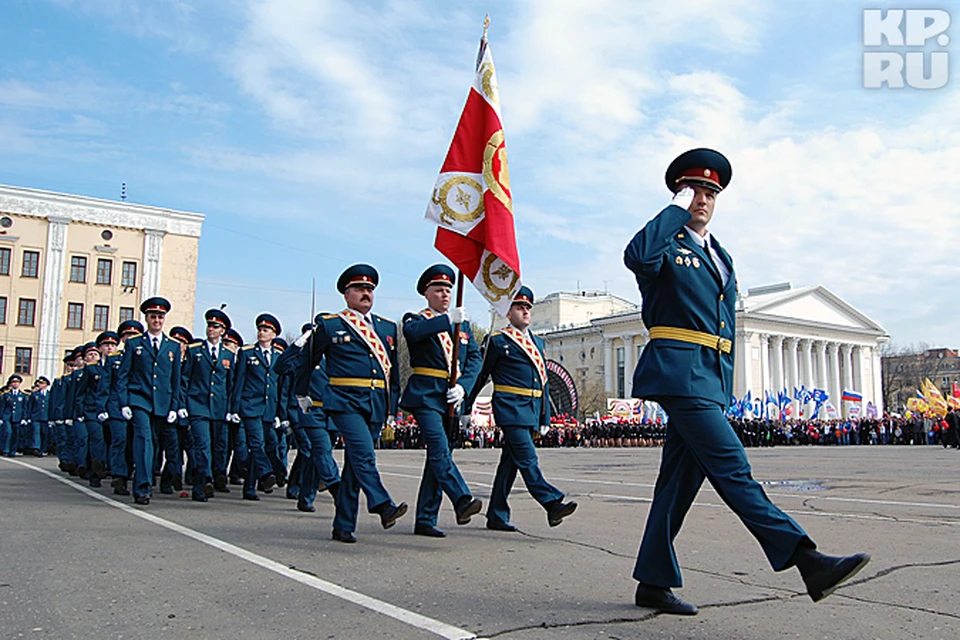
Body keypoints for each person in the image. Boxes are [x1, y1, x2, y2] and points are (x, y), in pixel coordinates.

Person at [623, 147, 870, 615]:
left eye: (711, 192)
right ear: (679, 192)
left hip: (708, 381)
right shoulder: (664, 245)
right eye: (695, 189)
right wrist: (674, 209)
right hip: (678, 374)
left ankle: (652, 581)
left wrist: (725, 387)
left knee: (676, 485)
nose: (703, 199)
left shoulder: (721, 256)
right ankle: (806, 559)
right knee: (734, 470)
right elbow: (636, 257)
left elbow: (725, 330)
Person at [303, 264, 407, 543]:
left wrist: (391, 409)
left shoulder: (386, 327)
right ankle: (382, 505)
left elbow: (393, 374)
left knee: (353, 467)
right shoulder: (331, 324)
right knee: (363, 455)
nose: (365, 293)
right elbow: (306, 362)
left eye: (369, 289)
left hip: (374, 403)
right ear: (346, 294)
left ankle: (343, 525)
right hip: (344, 401)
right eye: (359, 289)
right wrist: (302, 393)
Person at [468, 286, 577, 532]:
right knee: (528, 459)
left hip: (531, 409)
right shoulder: (497, 341)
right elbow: (481, 375)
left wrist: (546, 416)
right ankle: (551, 504)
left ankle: (496, 514)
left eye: (528, 307)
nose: (525, 311)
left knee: (510, 464)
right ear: (508, 312)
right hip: (510, 408)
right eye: (519, 307)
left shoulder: (538, 342)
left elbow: (544, 382)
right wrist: (467, 405)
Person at [400, 264, 483, 537]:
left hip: (451, 396)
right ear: (426, 293)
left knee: (438, 457)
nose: (445, 294)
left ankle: (425, 518)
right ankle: (461, 499)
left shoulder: (463, 325)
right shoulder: (416, 319)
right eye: (438, 290)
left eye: (448, 289)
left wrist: (464, 387)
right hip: (425, 395)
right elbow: (414, 334)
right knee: (438, 448)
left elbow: (474, 359)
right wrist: (446, 321)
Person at [116, 297, 183, 506]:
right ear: (146, 319)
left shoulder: (172, 346)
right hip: (139, 400)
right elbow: (123, 375)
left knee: (154, 444)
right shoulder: (135, 344)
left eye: (160, 317)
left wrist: (175, 406)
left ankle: (146, 478)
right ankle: (142, 488)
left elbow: (175, 380)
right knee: (143, 441)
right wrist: (124, 402)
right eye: (153, 316)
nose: (157, 320)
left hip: (162, 403)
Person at [182, 309, 235, 501]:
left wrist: (230, 409)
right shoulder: (195, 350)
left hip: (218, 408)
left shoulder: (228, 354)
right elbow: (185, 378)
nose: (211, 329)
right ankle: (203, 481)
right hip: (198, 405)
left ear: (223, 331)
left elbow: (230, 385)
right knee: (201, 445)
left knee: (215, 448)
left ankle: (204, 483)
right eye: (209, 325)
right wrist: (183, 404)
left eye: (216, 326)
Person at [229, 313, 282, 501]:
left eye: (266, 330)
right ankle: (267, 474)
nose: (261, 332)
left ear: (273, 334)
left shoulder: (278, 356)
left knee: (260, 447)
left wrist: (280, 413)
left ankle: (249, 487)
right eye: (260, 329)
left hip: (269, 407)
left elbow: (279, 386)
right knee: (256, 443)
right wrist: (234, 408)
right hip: (250, 405)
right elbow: (239, 380)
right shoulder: (247, 352)